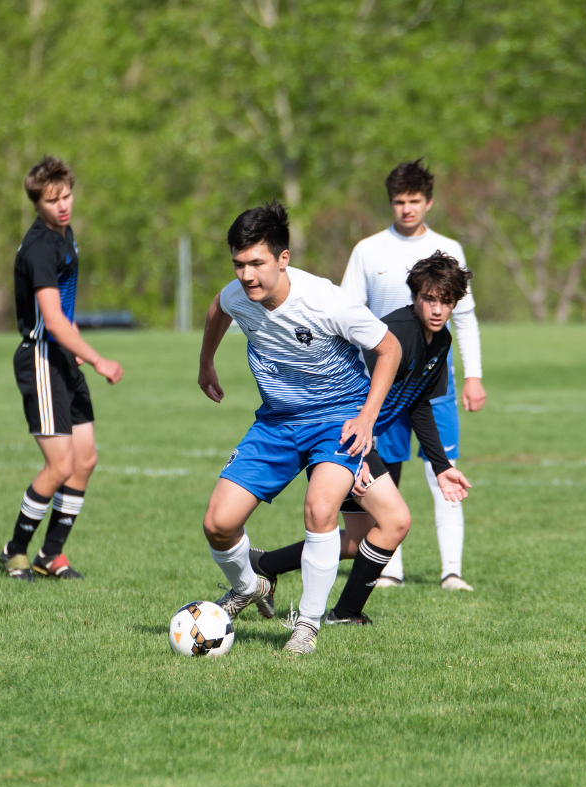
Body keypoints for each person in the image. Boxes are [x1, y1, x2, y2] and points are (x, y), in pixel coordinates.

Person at [197, 201, 401, 655]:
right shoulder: (237, 295)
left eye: (257, 263)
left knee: (320, 508)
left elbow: (389, 349)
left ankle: (307, 625)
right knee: (218, 524)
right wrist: (206, 362)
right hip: (276, 422)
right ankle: (249, 587)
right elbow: (218, 308)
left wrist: (367, 417)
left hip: (337, 419)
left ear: (282, 259)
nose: (246, 275)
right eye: (238, 264)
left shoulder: (326, 301)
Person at [251, 252, 474, 623]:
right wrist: (349, 461)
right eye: (430, 299)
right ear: (415, 296)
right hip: (340, 431)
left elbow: (418, 404)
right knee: (395, 522)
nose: (437, 309)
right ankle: (345, 611)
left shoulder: (441, 341)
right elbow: (349, 393)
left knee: (358, 539)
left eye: (446, 301)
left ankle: (265, 564)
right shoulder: (395, 334)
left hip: (357, 440)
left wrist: (440, 466)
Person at [341, 158, 486, 591]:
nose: (407, 209)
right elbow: (348, 316)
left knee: (442, 465)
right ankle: (390, 569)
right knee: (389, 469)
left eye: (415, 201)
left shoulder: (450, 249)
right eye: (399, 201)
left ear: (429, 202)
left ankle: (452, 571)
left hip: (432, 376)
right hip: (380, 381)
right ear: (390, 202)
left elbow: (466, 318)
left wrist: (474, 375)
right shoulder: (368, 250)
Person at [0, 156, 124, 582]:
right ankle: (15, 550)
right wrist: (97, 358)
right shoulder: (39, 247)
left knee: (84, 459)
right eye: (52, 200)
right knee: (59, 465)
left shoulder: (65, 234)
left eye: (67, 195)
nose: (63, 205)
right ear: (36, 203)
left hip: (62, 357)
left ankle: (51, 554)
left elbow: (64, 316)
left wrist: (76, 351)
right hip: (41, 358)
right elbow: (52, 320)